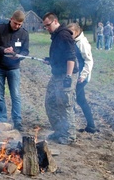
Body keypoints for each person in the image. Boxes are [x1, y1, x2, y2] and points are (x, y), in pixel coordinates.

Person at [0, 10, 29, 131]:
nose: (17, 26)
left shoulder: (24, 34)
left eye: (20, 25)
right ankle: (2, 119)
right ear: (11, 19)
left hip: (14, 68)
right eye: (15, 23)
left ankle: (17, 120)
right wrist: (3, 50)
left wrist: (19, 55)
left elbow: (26, 51)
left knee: (15, 95)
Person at [42, 12, 78, 145]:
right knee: (50, 102)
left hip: (66, 75)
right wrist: (51, 60)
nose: (47, 28)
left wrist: (68, 77)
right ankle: (59, 131)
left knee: (65, 105)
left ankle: (69, 136)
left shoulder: (64, 35)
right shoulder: (56, 35)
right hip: (57, 75)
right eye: (45, 26)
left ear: (55, 21)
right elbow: (60, 55)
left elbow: (71, 56)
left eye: (48, 25)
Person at [67, 23, 98, 134]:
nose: (69, 35)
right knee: (81, 100)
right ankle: (91, 126)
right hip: (77, 76)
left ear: (77, 31)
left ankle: (69, 126)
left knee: (70, 99)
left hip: (81, 77)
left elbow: (89, 61)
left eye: (71, 33)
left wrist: (83, 75)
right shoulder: (75, 41)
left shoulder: (83, 43)